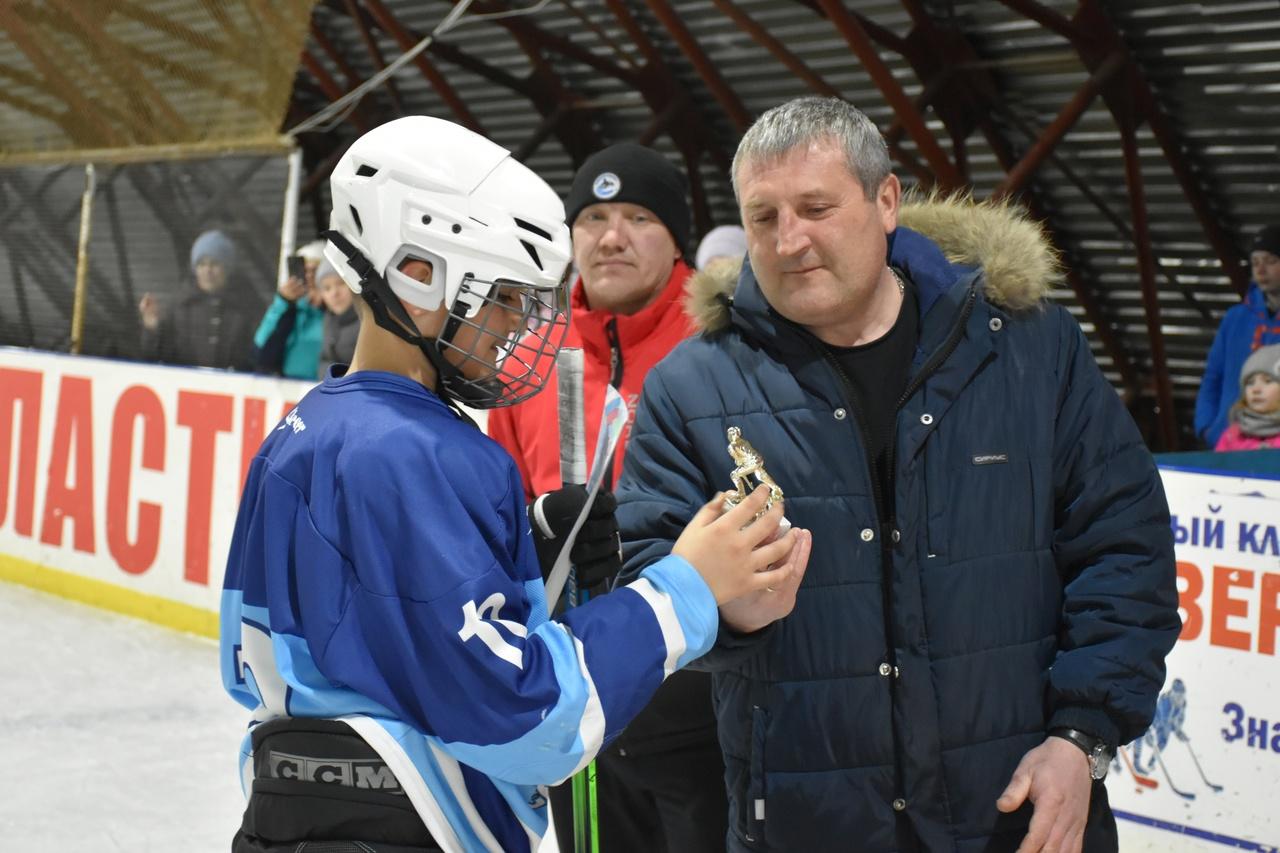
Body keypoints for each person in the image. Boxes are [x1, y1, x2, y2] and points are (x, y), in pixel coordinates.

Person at [219, 115, 810, 853]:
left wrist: (525, 542)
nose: (513, 326)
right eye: (499, 296)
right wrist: (687, 587)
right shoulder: (421, 454)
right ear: (416, 275)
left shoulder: (301, 432)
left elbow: (297, 639)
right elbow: (528, 717)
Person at [616, 96, 1180, 853]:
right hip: (809, 825)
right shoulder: (691, 390)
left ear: (886, 202)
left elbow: (1125, 548)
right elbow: (651, 585)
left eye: (816, 206)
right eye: (763, 217)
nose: (789, 240)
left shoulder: (1026, 350)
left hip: (1015, 814)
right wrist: (722, 607)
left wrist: (1081, 737)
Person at [488, 142, 730, 853]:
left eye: (638, 216)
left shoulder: (725, 343)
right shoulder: (531, 354)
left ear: (677, 236)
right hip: (581, 697)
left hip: (705, 707)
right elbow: (498, 515)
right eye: (592, 216)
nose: (611, 236)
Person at [1195, 224, 1280, 447]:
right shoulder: (1235, 318)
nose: (1261, 270)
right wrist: (1207, 427)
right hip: (1228, 442)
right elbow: (1213, 376)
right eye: (1255, 262)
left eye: (1271, 261)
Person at [138, 229, 260, 370]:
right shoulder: (179, 305)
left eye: (214, 264)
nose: (207, 271)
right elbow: (153, 357)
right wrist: (152, 328)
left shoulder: (247, 306)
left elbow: (258, 358)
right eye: (201, 264)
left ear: (227, 268)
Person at [253, 240, 328, 379]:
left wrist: (326, 306)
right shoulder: (291, 311)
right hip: (287, 389)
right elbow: (261, 346)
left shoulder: (335, 314)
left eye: (315, 271)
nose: (309, 277)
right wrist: (283, 302)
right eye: (304, 271)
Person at [1214, 342, 1280, 450]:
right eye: (1250, 382)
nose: (1256, 389)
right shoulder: (1231, 435)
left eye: (1268, 381)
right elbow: (1217, 465)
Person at [315, 257, 358, 377]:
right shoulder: (328, 320)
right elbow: (324, 359)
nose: (334, 293)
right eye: (327, 288)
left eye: (340, 283)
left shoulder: (369, 322)